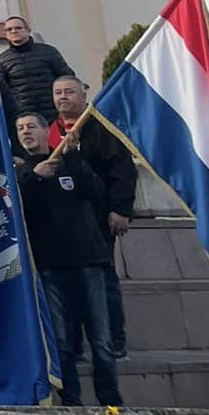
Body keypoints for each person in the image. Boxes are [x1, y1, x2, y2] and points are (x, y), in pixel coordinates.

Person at [14, 113, 121, 407]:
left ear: (45, 130)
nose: (26, 132)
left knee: (101, 340)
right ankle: (71, 403)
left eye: (31, 126)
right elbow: (18, 209)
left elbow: (96, 193)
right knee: (61, 342)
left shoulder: (68, 161)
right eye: (20, 128)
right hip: (50, 267)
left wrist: (72, 158)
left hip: (88, 260)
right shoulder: (19, 170)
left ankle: (111, 403)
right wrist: (36, 177)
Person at [49, 76, 136, 360]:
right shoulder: (48, 130)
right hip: (60, 225)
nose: (63, 97)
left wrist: (120, 209)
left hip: (97, 220)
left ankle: (115, 340)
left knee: (103, 282)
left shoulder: (102, 128)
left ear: (83, 95)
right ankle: (75, 345)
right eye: (58, 92)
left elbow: (123, 171)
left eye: (69, 92)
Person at [0, 17, 76, 130]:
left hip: (54, 113)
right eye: (9, 29)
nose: (13, 31)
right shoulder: (2, 60)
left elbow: (67, 78)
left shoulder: (49, 52)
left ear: (28, 30)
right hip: (25, 117)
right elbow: (3, 92)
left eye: (18, 28)